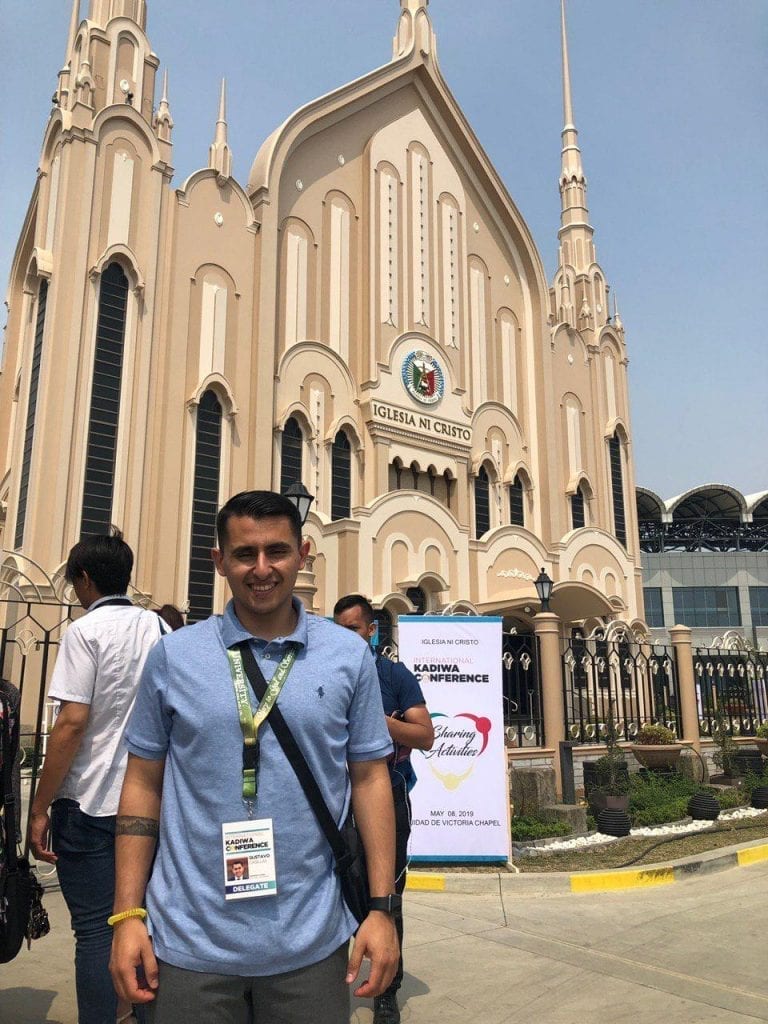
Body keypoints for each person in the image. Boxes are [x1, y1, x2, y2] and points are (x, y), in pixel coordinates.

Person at [110, 490, 400, 1024]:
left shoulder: (347, 656)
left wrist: (381, 909)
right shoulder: (174, 656)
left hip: (310, 944)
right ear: (219, 560)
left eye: (277, 551)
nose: (262, 569)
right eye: (245, 554)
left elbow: (369, 779)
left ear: (303, 555)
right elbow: (143, 782)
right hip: (190, 942)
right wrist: (127, 915)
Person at [28, 531, 167, 1024]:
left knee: (93, 931)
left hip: (87, 803)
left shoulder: (84, 632)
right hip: (149, 802)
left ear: (84, 579)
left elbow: (71, 722)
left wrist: (39, 807)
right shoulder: (158, 628)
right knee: (143, 925)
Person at [333, 594, 434, 1024]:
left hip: (387, 797)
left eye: (353, 629)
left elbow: (425, 735)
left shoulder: (394, 676)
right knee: (336, 893)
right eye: (339, 630)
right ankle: (329, 983)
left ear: (372, 631)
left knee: (386, 897)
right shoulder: (326, 672)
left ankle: (387, 992)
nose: (346, 638)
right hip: (334, 804)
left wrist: (380, 719)